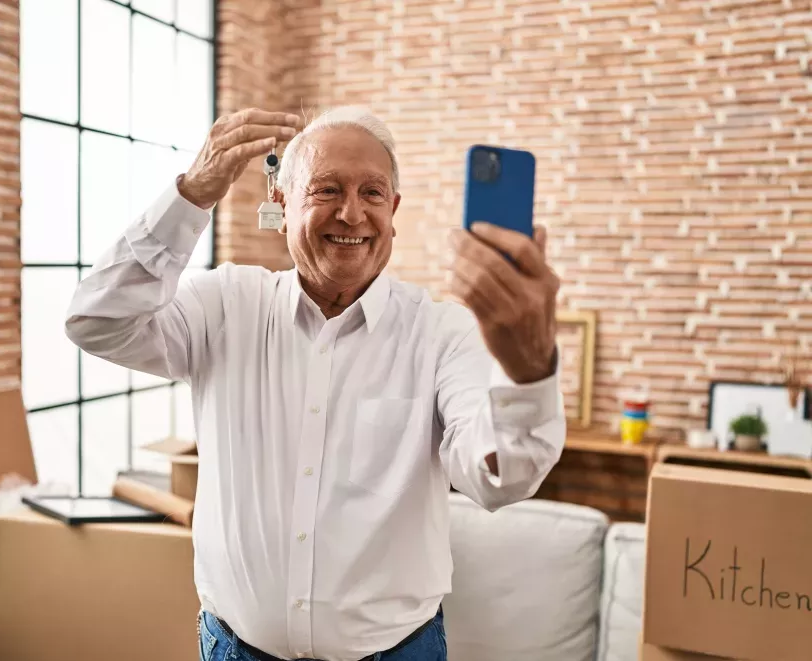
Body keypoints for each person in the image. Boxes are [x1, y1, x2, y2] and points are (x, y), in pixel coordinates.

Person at [65, 106, 565, 661]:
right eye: (326, 189)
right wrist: (190, 197)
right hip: (234, 648)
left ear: (393, 210)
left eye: (373, 193)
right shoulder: (225, 304)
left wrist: (530, 371)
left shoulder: (442, 333)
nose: (352, 215)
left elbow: (498, 480)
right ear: (282, 202)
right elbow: (96, 322)